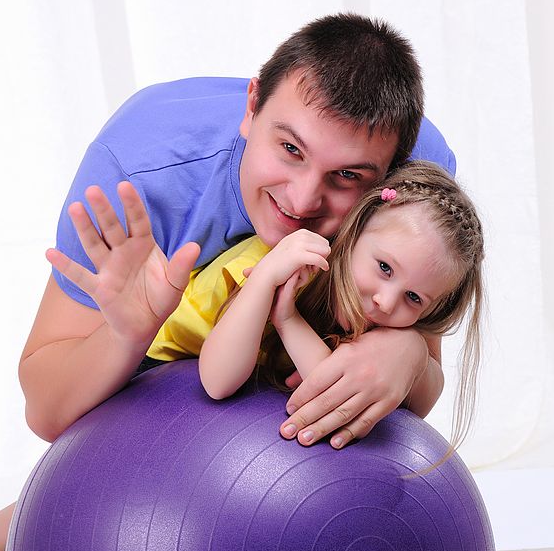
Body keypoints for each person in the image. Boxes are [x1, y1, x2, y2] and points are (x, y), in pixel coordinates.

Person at [0, 12, 456, 551]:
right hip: (172, 352)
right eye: (291, 150)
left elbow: (420, 390)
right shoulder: (140, 170)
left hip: (291, 344)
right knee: (137, 454)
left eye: (346, 177)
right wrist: (126, 337)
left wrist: (409, 350)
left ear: (390, 177)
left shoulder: (416, 185)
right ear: (251, 107)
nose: (301, 203)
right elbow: (47, 415)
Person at [199, 160, 484, 457]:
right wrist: (264, 279)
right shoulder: (290, 263)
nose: (385, 302)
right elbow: (218, 381)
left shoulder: (396, 321)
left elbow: (333, 386)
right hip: (160, 355)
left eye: (414, 297)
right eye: (385, 268)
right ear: (355, 229)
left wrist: (288, 320)